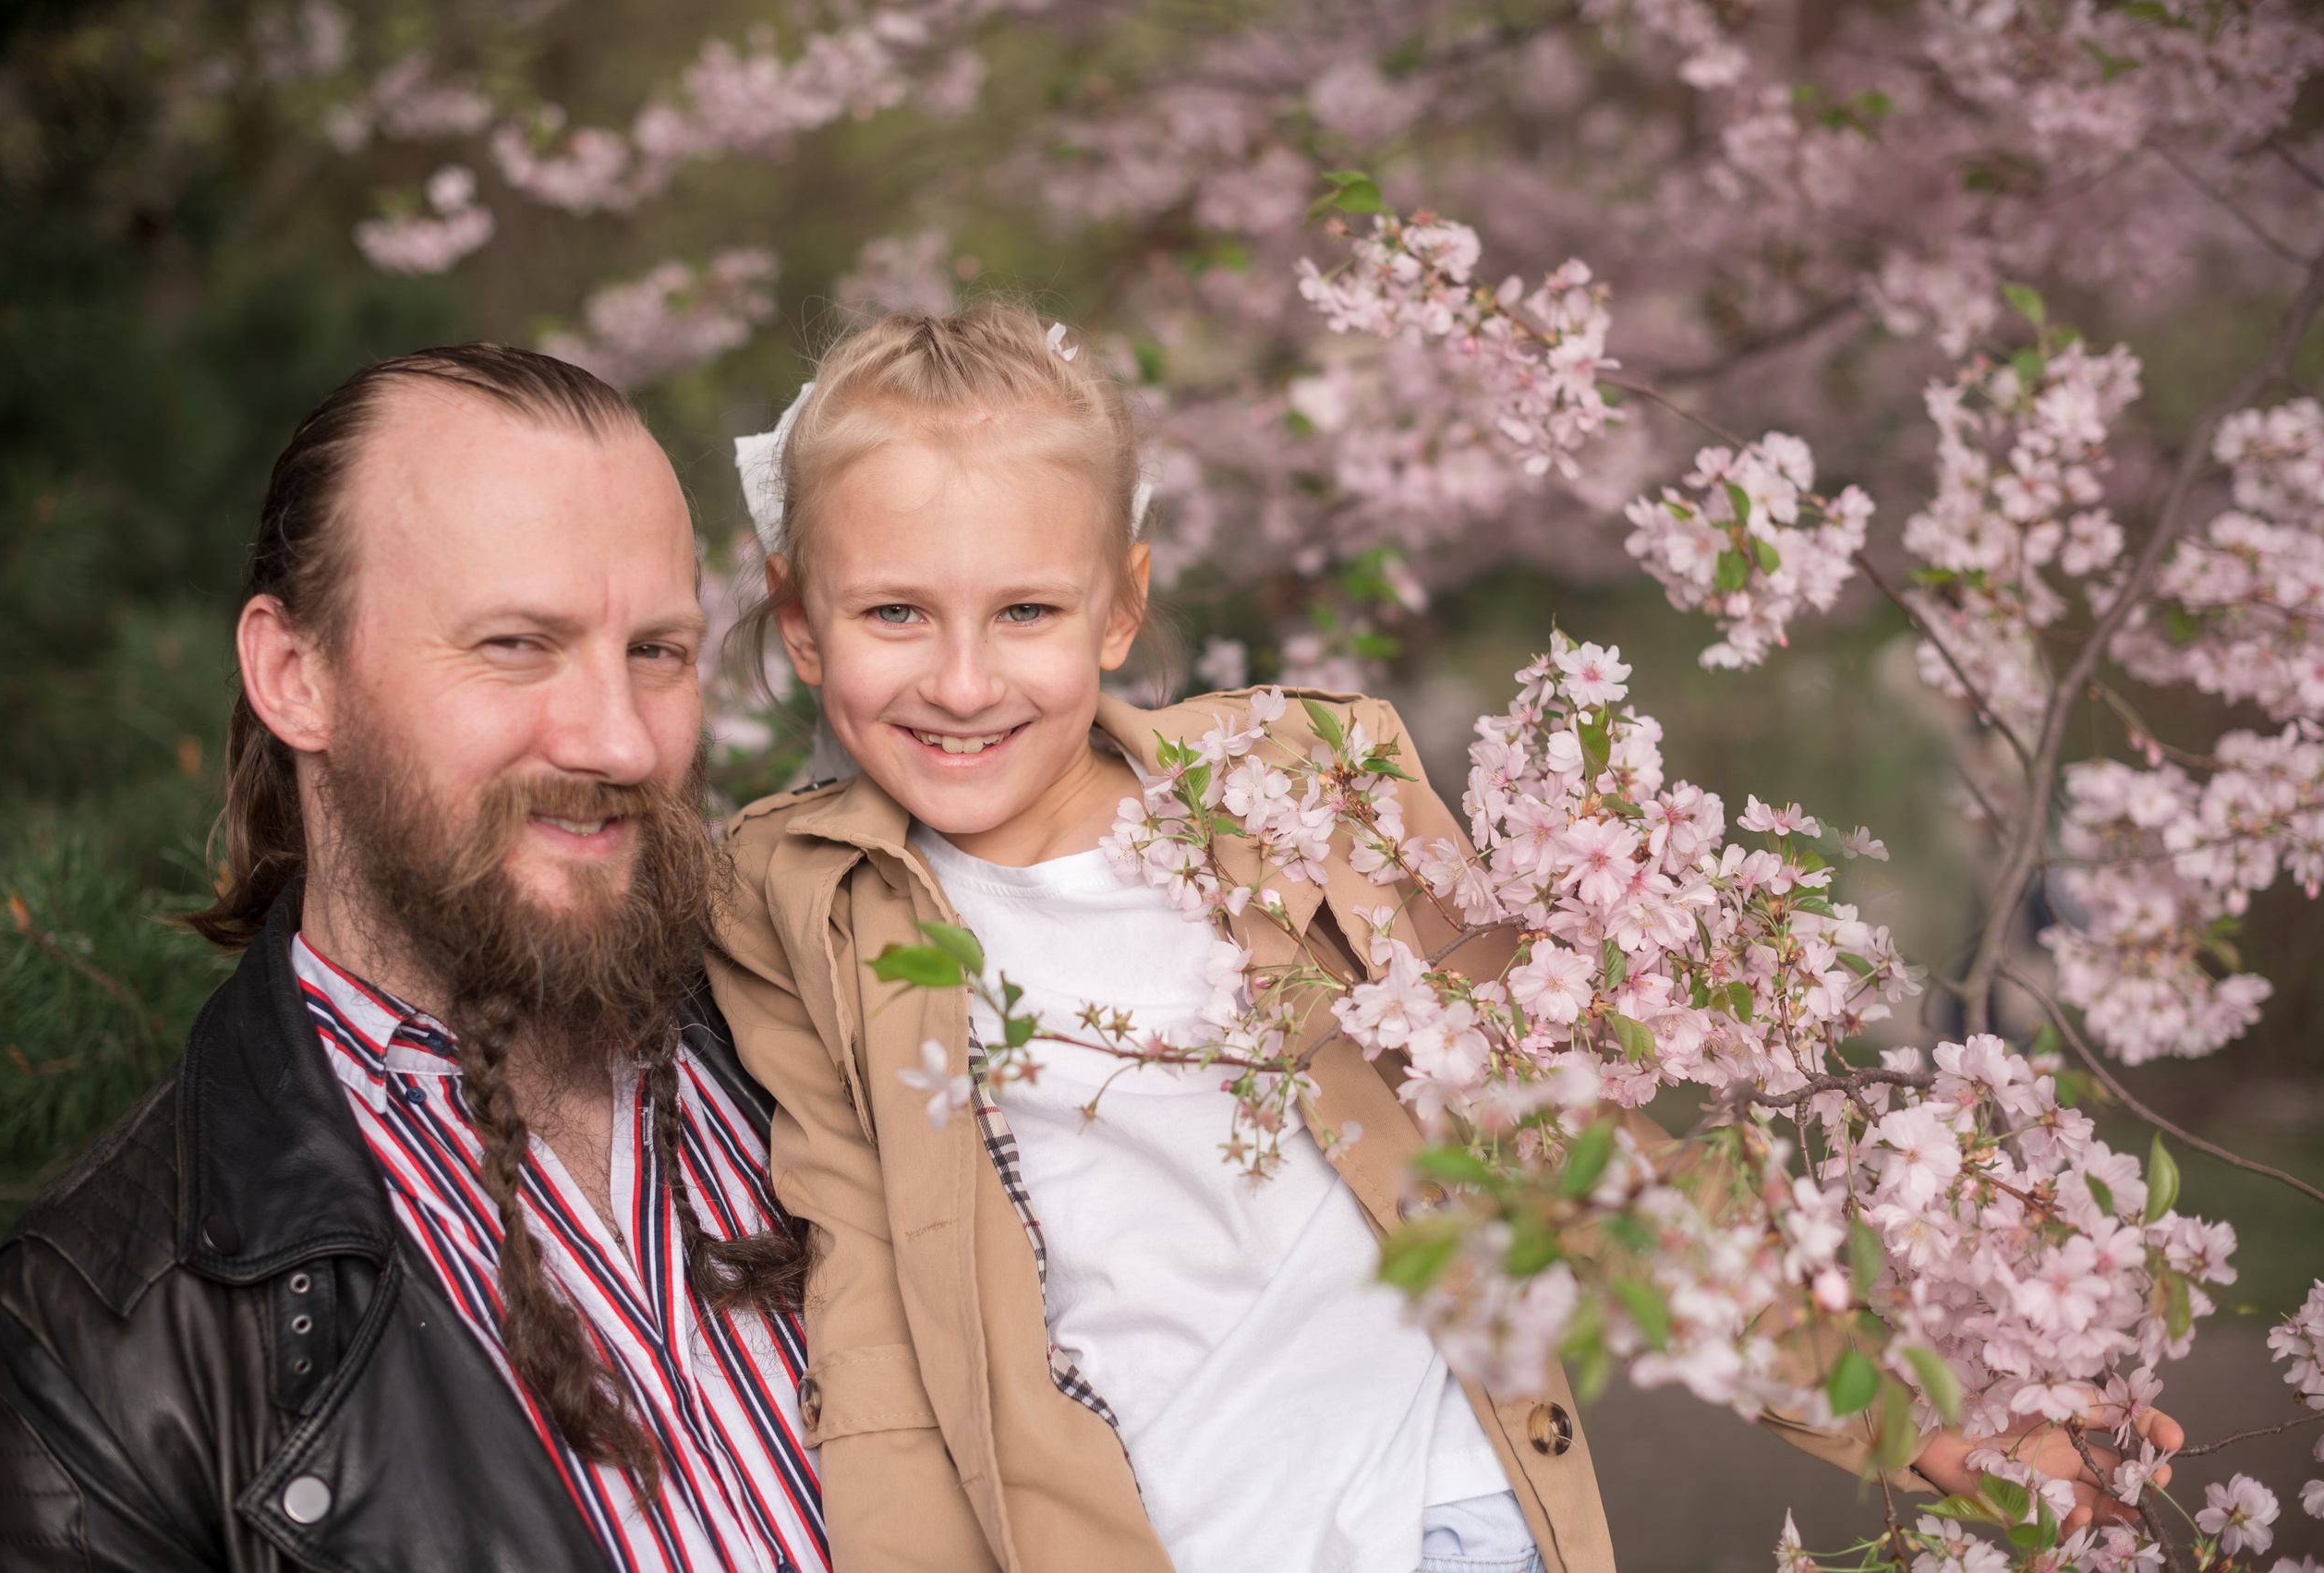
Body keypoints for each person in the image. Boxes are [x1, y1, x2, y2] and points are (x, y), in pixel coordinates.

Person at [704, 304, 2181, 1573]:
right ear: (803, 623)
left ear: (1119, 609)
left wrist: (1919, 1417)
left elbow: (1568, 1149)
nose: (962, 682)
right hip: (1137, 1533)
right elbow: (875, 1316)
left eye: (1024, 609)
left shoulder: (1304, 790)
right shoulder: (798, 902)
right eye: (895, 611)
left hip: (1441, 1517)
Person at [0, 345, 825, 1573]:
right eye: (517, 644)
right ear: (295, 675)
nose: (620, 739)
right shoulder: (94, 1349)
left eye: (658, 652)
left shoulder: (839, 1048)